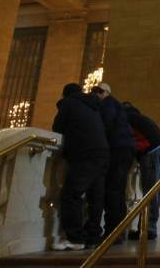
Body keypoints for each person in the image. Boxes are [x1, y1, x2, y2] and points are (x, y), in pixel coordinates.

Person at [51, 83, 111, 250]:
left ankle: (75, 238)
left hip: (85, 153)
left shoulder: (69, 103)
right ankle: (93, 237)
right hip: (103, 153)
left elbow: (57, 128)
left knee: (71, 194)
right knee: (95, 198)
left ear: (65, 95)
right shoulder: (93, 106)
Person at [91, 83, 136, 243]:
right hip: (126, 148)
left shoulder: (109, 103)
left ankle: (112, 231)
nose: (97, 94)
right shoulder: (117, 106)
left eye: (100, 91)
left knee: (112, 189)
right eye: (95, 91)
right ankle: (119, 229)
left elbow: (106, 124)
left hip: (118, 148)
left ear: (107, 93)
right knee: (118, 190)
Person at [121, 102, 160, 240]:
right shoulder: (142, 118)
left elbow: (127, 140)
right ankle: (149, 227)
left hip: (152, 151)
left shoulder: (126, 118)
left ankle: (147, 229)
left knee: (149, 193)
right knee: (156, 192)